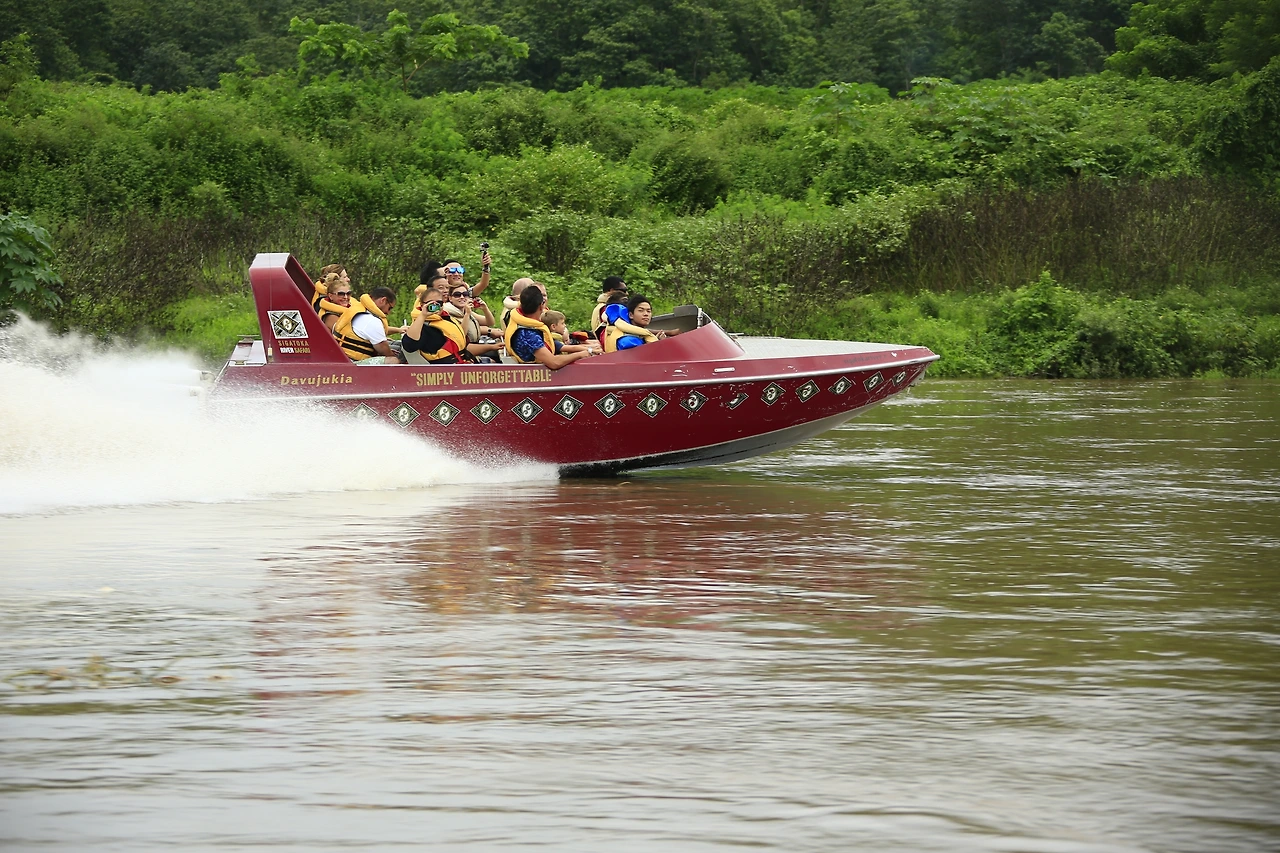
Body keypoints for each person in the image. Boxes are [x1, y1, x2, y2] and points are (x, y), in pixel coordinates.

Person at [504, 285, 592, 370]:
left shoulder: (516, 318)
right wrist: (581, 354)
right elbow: (554, 363)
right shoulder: (528, 334)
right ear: (541, 306)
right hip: (535, 377)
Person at [324, 285, 399, 363]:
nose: (388, 312)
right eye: (389, 308)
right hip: (349, 362)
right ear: (383, 300)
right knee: (393, 360)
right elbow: (384, 349)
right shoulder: (371, 320)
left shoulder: (357, 308)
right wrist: (395, 357)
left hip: (338, 356)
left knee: (395, 348)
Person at [401, 288, 468, 364]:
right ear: (422, 305)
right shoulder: (423, 326)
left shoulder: (446, 318)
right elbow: (409, 346)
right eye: (431, 303)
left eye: (439, 303)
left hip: (461, 364)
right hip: (440, 370)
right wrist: (423, 315)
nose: (436, 306)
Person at [443, 281, 504, 362]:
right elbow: (460, 337)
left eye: (465, 294)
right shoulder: (448, 314)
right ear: (450, 298)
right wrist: (467, 314)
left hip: (473, 352)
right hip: (462, 356)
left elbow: (490, 322)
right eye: (457, 295)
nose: (462, 297)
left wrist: (485, 309)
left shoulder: (465, 311)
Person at [590, 276, 629, 341]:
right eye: (623, 290)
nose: (627, 293)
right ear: (612, 290)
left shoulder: (600, 306)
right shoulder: (607, 309)